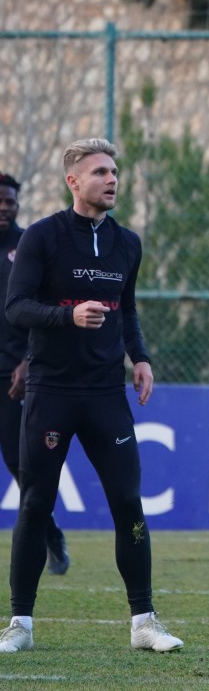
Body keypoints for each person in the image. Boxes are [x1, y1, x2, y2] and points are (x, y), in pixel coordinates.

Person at [0, 139, 182, 653]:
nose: (111, 179)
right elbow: (17, 307)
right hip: (52, 391)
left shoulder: (128, 243)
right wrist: (68, 316)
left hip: (105, 395)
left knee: (129, 504)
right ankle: (20, 625)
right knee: (35, 503)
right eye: (100, 171)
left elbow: (127, 309)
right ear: (73, 181)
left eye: (115, 171)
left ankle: (144, 623)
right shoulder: (43, 238)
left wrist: (139, 357)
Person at [0, 174, 70, 576]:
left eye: (10, 201)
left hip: (12, 375)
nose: (4, 207)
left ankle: (49, 531)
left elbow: (40, 308)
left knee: (19, 465)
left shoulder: (27, 245)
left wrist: (28, 360)